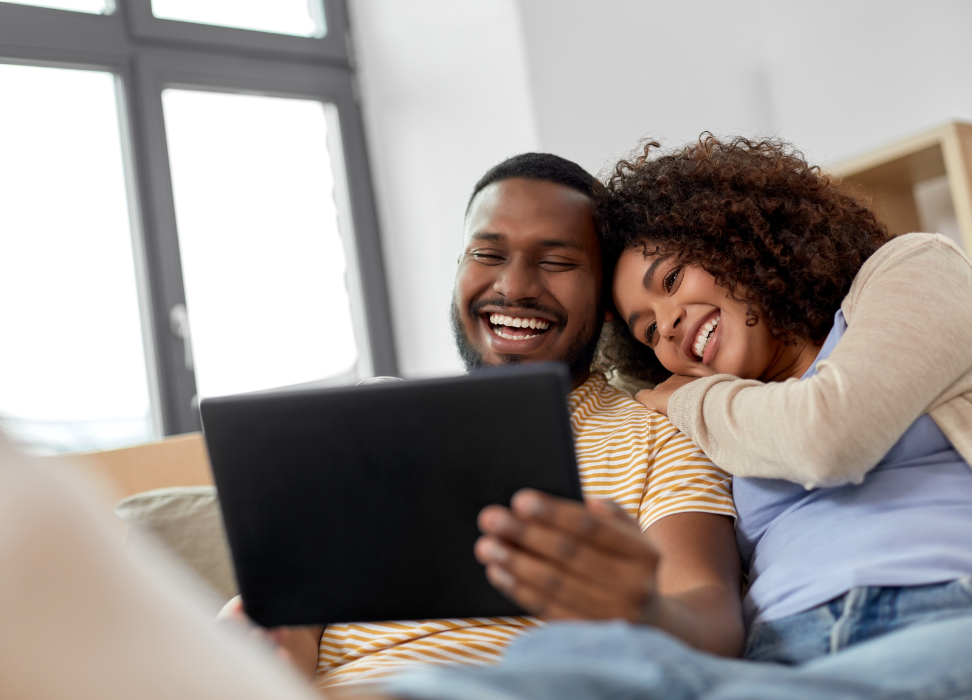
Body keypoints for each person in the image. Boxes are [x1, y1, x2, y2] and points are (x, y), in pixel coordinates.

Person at [362, 137, 972, 699]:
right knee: (571, 655)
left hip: (945, 609)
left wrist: (682, 395)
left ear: (736, 240)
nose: (671, 323)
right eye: (648, 328)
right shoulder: (713, 422)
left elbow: (827, 435)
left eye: (673, 278)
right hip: (780, 656)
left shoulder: (909, 268)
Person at [231, 152, 742, 689]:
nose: (515, 285)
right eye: (487, 253)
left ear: (608, 299)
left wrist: (643, 611)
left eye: (557, 262)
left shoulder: (658, 434)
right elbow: (288, 616)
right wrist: (259, 639)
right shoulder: (368, 418)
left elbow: (714, 615)